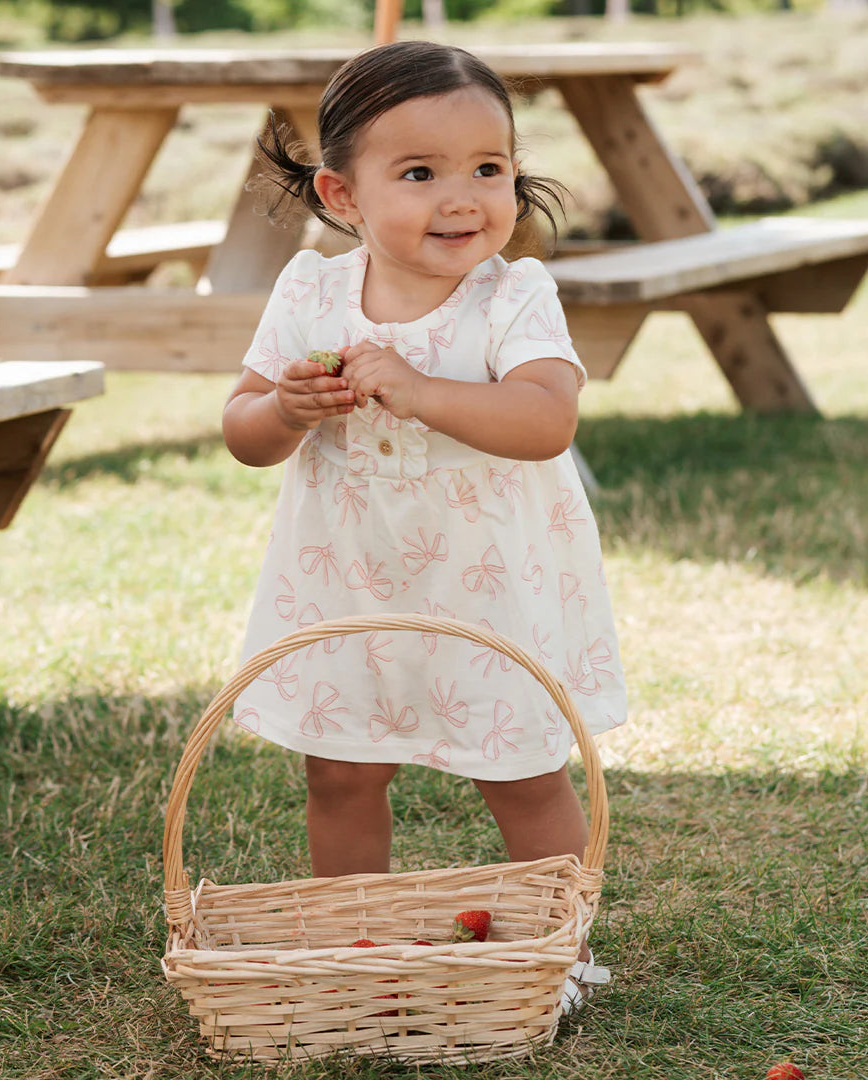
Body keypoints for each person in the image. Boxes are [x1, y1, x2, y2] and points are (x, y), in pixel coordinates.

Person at [221, 40, 624, 1014]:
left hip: (487, 587)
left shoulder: (512, 297)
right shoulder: (312, 293)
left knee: (523, 773)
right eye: (419, 172)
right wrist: (288, 409)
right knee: (340, 769)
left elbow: (544, 420)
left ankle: (553, 956)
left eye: (490, 168)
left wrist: (417, 387)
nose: (464, 196)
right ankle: (358, 946)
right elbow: (242, 430)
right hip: (347, 579)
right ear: (343, 194)